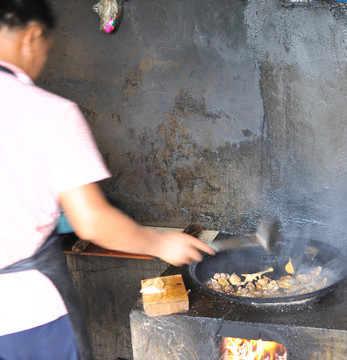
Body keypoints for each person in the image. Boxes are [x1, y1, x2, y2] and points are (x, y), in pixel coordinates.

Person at [0, 1, 215, 359]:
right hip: (26, 316)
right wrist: (159, 243)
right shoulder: (46, 112)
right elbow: (92, 221)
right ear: (33, 36)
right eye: (47, 52)